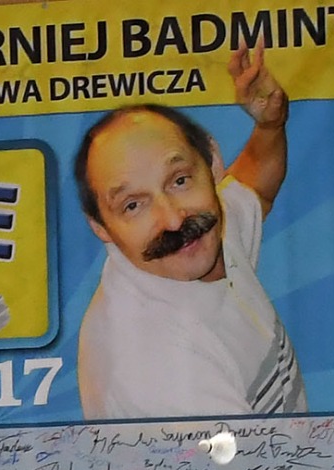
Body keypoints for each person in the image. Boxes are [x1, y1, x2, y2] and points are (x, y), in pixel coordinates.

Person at [75, 41, 306, 420]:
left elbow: (256, 188)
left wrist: (269, 124)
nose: (172, 219)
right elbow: (244, 462)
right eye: (133, 205)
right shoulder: (159, 367)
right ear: (101, 228)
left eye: (179, 180)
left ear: (213, 164)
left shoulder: (204, 232)